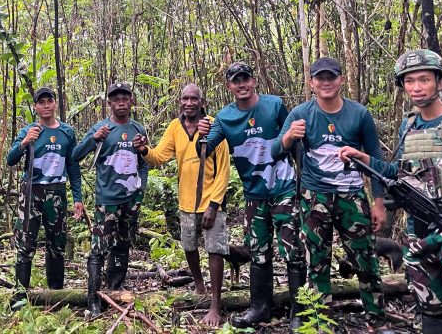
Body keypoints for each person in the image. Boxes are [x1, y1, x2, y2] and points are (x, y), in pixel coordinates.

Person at [339, 50, 442, 334]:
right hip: (420, 233)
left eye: (424, 80)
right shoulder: (409, 124)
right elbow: (401, 173)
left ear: (440, 82)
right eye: (409, 81)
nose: (416, 87)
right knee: (431, 312)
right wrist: (364, 159)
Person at [273, 57, 394, 334]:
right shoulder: (300, 113)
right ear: (311, 83)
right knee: (316, 262)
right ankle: (321, 323)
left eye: (331, 77)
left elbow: (375, 158)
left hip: (352, 196)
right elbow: (274, 151)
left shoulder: (359, 114)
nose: (326, 83)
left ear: (341, 80)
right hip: (314, 198)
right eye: (320, 78)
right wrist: (289, 136)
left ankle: (377, 321)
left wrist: (378, 203)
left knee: (366, 260)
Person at [196, 61, 305, 330]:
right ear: (229, 86)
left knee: (293, 250)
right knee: (258, 251)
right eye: (236, 81)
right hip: (254, 195)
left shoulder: (274, 105)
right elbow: (204, 151)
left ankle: (300, 310)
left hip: (284, 189)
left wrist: (303, 183)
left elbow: (293, 143)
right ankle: (260, 308)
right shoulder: (224, 117)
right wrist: (200, 135)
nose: (242, 84)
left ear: (254, 81)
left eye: (245, 78)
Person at [133, 83, 230, 327]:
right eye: (185, 98)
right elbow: (159, 156)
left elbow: (224, 170)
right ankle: (199, 285)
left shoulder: (213, 126)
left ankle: (215, 305)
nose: (189, 103)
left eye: (193, 98)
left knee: (215, 250)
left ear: (201, 101)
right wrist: (144, 150)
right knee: (189, 245)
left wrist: (214, 204)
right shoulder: (175, 127)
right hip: (186, 201)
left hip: (211, 201)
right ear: (180, 101)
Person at [72, 81, 149, 318]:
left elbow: (144, 161)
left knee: (123, 244)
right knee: (98, 249)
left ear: (131, 101)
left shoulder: (138, 129)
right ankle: (94, 299)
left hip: (131, 199)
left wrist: (141, 189)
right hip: (107, 200)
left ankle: (115, 288)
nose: (121, 103)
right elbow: (75, 156)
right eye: (116, 99)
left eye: (125, 98)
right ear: (110, 103)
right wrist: (94, 139)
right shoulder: (101, 128)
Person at [6, 87, 83, 293]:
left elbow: (73, 166)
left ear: (55, 103)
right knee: (25, 242)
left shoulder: (67, 132)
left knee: (57, 242)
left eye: (49, 101)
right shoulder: (29, 130)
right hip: (31, 191)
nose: (46, 106)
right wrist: (25, 142)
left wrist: (78, 197)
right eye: (41, 102)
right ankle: (20, 295)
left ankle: (56, 294)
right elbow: (10, 160)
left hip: (57, 191)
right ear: (35, 107)